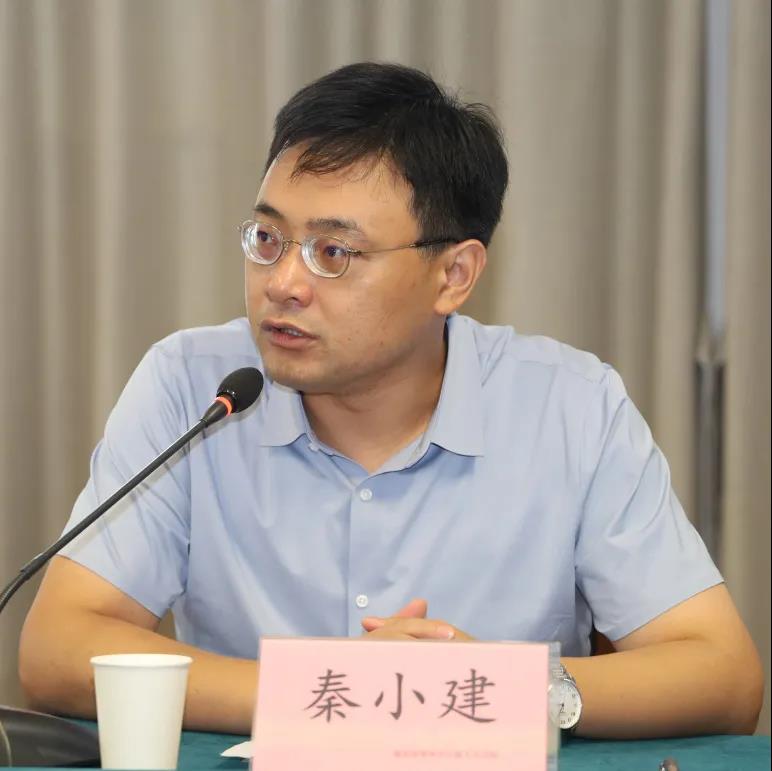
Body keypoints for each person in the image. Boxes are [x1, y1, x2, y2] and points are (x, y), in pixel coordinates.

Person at [19, 62, 762, 738]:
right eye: (268, 238)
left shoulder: (570, 407)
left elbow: (723, 674)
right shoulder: (194, 385)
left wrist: (501, 690)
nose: (283, 283)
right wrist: (333, 692)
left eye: (334, 252)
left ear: (454, 275)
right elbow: (57, 648)